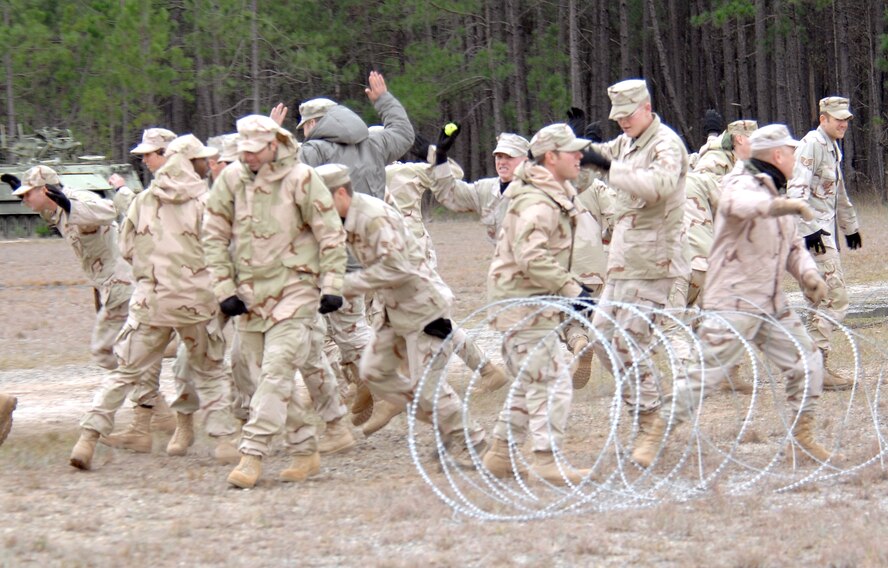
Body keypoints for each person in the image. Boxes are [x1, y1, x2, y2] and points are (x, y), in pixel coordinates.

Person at [667, 124, 836, 463]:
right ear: (777, 155)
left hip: (771, 303)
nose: (794, 157)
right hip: (734, 301)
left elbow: (791, 246)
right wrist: (783, 206)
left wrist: (809, 275)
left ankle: (801, 438)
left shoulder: (777, 190)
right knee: (703, 377)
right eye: (790, 152)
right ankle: (655, 432)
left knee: (808, 362)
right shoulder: (737, 182)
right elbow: (743, 206)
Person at [69, 135, 239, 471]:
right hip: (196, 303)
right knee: (210, 371)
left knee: (124, 373)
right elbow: (224, 250)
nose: (208, 163)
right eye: (202, 159)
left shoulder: (143, 200)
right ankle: (224, 441)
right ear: (191, 162)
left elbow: (127, 249)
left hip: (150, 303)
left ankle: (87, 439)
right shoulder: (208, 202)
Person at [203, 115, 348, 489]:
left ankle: (252, 455)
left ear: (273, 144)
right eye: (243, 152)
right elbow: (213, 235)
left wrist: (332, 284)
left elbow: (330, 234)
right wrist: (224, 290)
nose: (248, 158)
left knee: (276, 371)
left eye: (255, 151)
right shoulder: (231, 180)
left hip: (295, 293)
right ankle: (304, 447)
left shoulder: (301, 178)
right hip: (250, 297)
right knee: (251, 374)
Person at [316, 163, 488, 466]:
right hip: (393, 310)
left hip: (422, 307)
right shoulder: (342, 218)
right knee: (373, 372)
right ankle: (445, 424)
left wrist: (348, 286)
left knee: (429, 388)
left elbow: (397, 267)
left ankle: (474, 444)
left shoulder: (372, 217)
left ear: (340, 193)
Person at [581, 79, 689, 468]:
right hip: (624, 263)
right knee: (602, 339)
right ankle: (646, 415)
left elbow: (657, 186)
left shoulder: (665, 145)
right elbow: (587, 163)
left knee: (628, 341)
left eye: (627, 114)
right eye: (617, 116)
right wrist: (568, 148)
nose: (621, 121)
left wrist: (607, 167)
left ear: (646, 107)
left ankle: (650, 422)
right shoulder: (625, 143)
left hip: (656, 262)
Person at [483, 124, 593, 486]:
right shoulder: (537, 202)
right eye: (572, 151)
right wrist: (571, 290)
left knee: (533, 379)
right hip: (522, 305)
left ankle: (501, 454)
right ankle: (546, 458)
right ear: (551, 157)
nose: (580, 156)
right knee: (554, 377)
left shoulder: (553, 192)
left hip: (531, 302)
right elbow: (530, 256)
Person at [787, 96, 862, 391]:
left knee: (818, 299)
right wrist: (807, 230)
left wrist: (850, 226)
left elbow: (837, 192)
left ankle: (811, 367)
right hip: (813, 235)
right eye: (837, 118)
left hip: (823, 232)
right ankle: (817, 367)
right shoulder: (812, 145)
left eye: (846, 118)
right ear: (823, 119)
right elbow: (797, 191)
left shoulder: (831, 148)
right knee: (835, 298)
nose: (843, 123)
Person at [429, 130, 530, 241]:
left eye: (509, 157)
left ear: (526, 161)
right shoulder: (486, 189)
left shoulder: (539, 191)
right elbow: (449, 193)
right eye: (499, 157)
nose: (502, 162)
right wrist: (440, 157)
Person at [108, 128, 177, 217]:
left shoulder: (173, 182)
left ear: (165, 152)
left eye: (148, 154)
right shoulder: (172, 178)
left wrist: (122, 190)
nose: (144, 160)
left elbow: (145, 213)